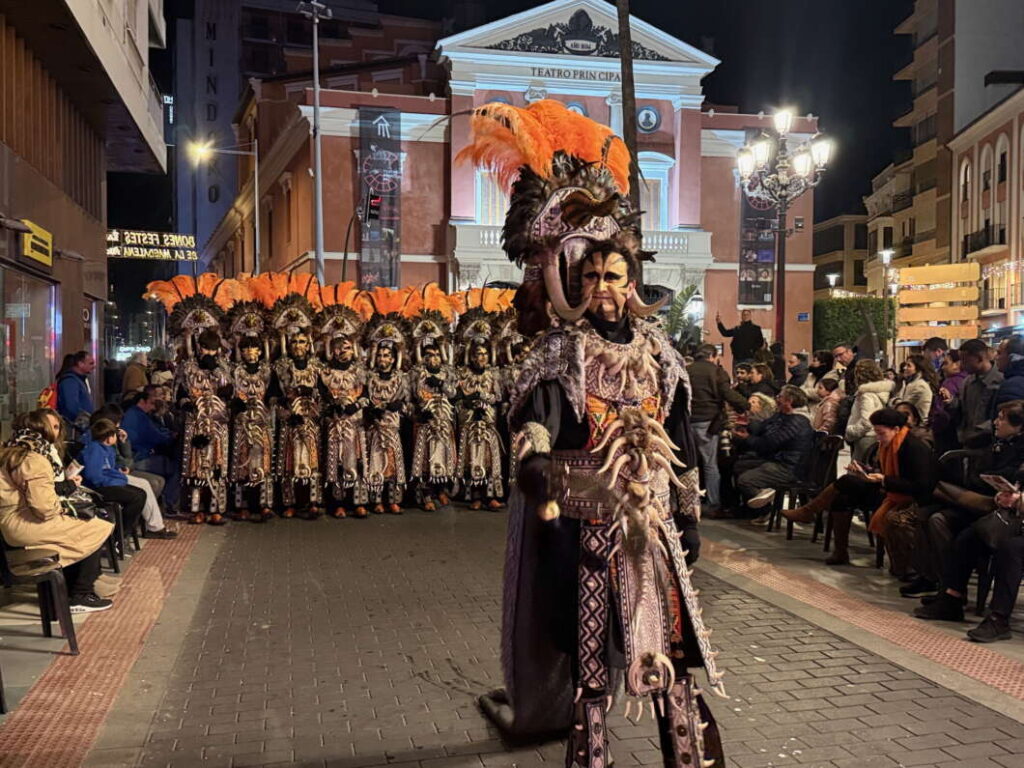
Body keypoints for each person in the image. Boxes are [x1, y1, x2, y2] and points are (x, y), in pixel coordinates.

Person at [465, 101, 724, 768]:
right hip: (583, 535)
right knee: (589, 667)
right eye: (591, 276)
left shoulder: (662, 358)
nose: (604, 287)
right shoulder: (561, 356)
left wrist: (689, 519)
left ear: (632, 281)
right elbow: (538, 428)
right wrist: (539, 471)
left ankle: (687, 755)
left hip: (655, 530)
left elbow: (683, 446)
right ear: (573, 282)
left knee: (672, 657)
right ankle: (591, 755)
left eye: (614, 276)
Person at [785, 408, 937, 570]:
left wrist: (883, 479)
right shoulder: (888, 446)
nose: (878, 437)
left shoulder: (913, 447)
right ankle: (839, 550)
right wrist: (866, 472)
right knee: (842, 496)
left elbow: (921, 486)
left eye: (881, 433)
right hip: (889, 491)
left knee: (846, 482)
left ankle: (810, 511)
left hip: (909, 498)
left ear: (896, 429)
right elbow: (883, 473)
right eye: (876, 433)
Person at [901, 399, 1024, 599]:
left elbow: (1007, 476)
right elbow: (979, 472)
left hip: (995, 507)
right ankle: (930, 576)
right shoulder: (993, 442)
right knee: (925, 512)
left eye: (1002, 420)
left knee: (939, 521)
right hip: (977, 495)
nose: (995, 423)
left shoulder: (1018, 451)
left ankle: (948, 588)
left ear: (1018, 427)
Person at [0, 409, 114, 612]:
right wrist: (63, 509)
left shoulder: (10, 451)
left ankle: (70, 590)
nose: (58, 431)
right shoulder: (33, 459)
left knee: (79, 527)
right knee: (97, 526)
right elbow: (44, 508)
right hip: (22, 523)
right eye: (54, 427)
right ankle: (80, 594)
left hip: (10, 522)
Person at [88, 406, 174, 539]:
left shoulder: (110, 442)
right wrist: (120, 476)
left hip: (118, 473)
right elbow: (97, 473)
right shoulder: (97, 443)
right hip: (108, 480)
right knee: (143, 487)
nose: (120, 427)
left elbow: (123, 461)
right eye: (117, 425)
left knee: (147, 485)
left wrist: (124, 443)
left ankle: (149, 524)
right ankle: (148, 527)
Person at [176, 329, 232, 525]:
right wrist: (186, 403)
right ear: (200, 347)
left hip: (217, 423)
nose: (210, 353)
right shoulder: (188, 367)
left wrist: (215, 369)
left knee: (217, 464)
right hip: (196, 422)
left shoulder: (223, 366)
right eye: (206, 349)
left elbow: (229, 390)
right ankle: (196, 509)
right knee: (196, 466)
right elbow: (179, 392)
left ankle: (216, 508)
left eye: (213, 349)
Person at [318, 307, 369, 519]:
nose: (342, 352)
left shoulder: (360, 371)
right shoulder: (325, 372)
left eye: (346, 348)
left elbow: (368, 397)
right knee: (335, 463)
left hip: (355, 424)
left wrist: (355, 406)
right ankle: (337, 503)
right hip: (334, 424)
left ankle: (357, 501)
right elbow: (319, 398)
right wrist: (332, 406)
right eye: (338, 349)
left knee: (355, 459)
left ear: (353, 349)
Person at [731, 386, 815, 513]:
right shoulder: (783, 416)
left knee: (745, 480)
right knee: (739, 466)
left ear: (789, 401)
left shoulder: (797, 421)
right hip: (778, 460)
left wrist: (748, 438)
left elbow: (770, 443)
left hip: (788, 467)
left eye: (780, 397)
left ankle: (766, 510)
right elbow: (763, 428)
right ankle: (750, 509)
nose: (777, 399)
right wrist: (748, 427)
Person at [687, 343, 749, 512]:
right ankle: (713, 503)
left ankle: (686, 501)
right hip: (708, 421)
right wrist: (745, 404)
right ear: (713, 356)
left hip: (687, 421)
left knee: (689, 463)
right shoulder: (716, 372)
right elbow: (727, 394)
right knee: (710, 465)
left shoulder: (687, 370)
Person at [272, 326, 324, 520]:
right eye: (294, 342)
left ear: (307, 344)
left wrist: (315, 401)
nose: (298, 346)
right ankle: (289, 503)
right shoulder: (281, 367)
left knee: (312, 460)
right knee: (289, 462)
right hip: (290, 421)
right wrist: (283, 405)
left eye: (301, 341)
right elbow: (273, 394)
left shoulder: (316, 367)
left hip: (311, 420)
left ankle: (313, 502)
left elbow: (324, 393)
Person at [454, 319, 505, 511]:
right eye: (478, 354)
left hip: (488, 421)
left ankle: (490, 496)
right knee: (473, 458)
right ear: (472, 356)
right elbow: (457, 398)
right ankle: (474, 496)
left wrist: (486, 400)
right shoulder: (463, 373)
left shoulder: (493, 374)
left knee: (490, 458)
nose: (482, 357)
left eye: (484, 354)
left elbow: (498, 396)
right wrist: (470, 402)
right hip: (470, 422)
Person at [361, 321, 409, 515]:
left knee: (394, 464)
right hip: (375, 427)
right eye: (380, 355)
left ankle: (393, 500)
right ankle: (376, 500)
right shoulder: (369, 377)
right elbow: (363, 397)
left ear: (392, 358)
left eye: (386, 355)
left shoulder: (400, 378)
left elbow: (406, 402)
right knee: (376, 462)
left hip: (392, 426)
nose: (383, 358)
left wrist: (396, 406)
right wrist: (372, 410)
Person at [408, 328, 457, 513]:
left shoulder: (447, 373)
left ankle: (441, 490)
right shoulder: (416, 374)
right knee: (424, 460)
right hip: (424, 423)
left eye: (436, 355)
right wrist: (419, 412)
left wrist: (441, 384)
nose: (433, 358)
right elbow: (410, 398)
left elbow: (453, 393)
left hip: (443, 421)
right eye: (429, 355)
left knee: (443, 457)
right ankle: (426, 495)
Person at [229, 333, 275, 522]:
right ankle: (243, 505)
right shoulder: (235, 371)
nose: (249, 352)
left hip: (262, 421)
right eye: (245, 348)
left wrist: (271, 402)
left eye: (253, 348)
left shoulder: (266, 371)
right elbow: (230, 392)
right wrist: (236, 404)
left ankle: (264, 504)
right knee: (242, 464)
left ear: (259, 350)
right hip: (242, 423)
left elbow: (273, 392)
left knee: (263, 461)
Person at [79, 419, 146, 544]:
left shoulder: (107, 449)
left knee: (141, 493)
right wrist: (114, 481)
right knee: (135, 497)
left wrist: (118, 471)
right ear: (109, 437)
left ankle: (124, 532)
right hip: (98, 489)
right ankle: (118, 536)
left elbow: (110, 467)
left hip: (110, 483)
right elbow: (94, 476)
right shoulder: (94, 449)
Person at [122, 385, 179, 512]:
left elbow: (156, 431)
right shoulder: (138, 416)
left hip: (139, 454)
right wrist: (171, 436)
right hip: (138, 458)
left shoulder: (137, 414)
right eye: (152, 403)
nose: (153, 407)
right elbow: (155, 436)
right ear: (142, 402)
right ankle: (170, 505)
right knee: (175, 468)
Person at [945, 338, 1003, 448]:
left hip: (990, 444)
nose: (961, 365)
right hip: (968, 443)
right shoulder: (967, 382)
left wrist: (980, 431)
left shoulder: (1000, 381)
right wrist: (951, 402)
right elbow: (962, 410)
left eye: (965, 361)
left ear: (979, 358)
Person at [844, 359, 895, 462]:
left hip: (865, 439)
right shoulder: (881, 391)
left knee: (857, 473)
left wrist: (850, 431)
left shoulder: (866, 394)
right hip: (874, 437)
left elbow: (867, 422)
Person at [892, 354, 937, 424]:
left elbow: (903, 406)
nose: (905, 368)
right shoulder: (909, 383)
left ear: (918, 369)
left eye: (909, 366)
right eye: (905, 365)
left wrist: (894, 401)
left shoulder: (920, 385)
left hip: (917, 426)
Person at [56, 351, 96, 430]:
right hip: (75, 428)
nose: (94, 366)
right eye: (91, 363)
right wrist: (83, 424)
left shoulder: (78, 380)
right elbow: (71, 407)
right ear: (80, 364)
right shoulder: (70, 381)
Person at [994, 334, 1024, 407]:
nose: (995, 357)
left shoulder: (1012, 387)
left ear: (1012, 357)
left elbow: (1006, 417)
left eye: (999, 353)